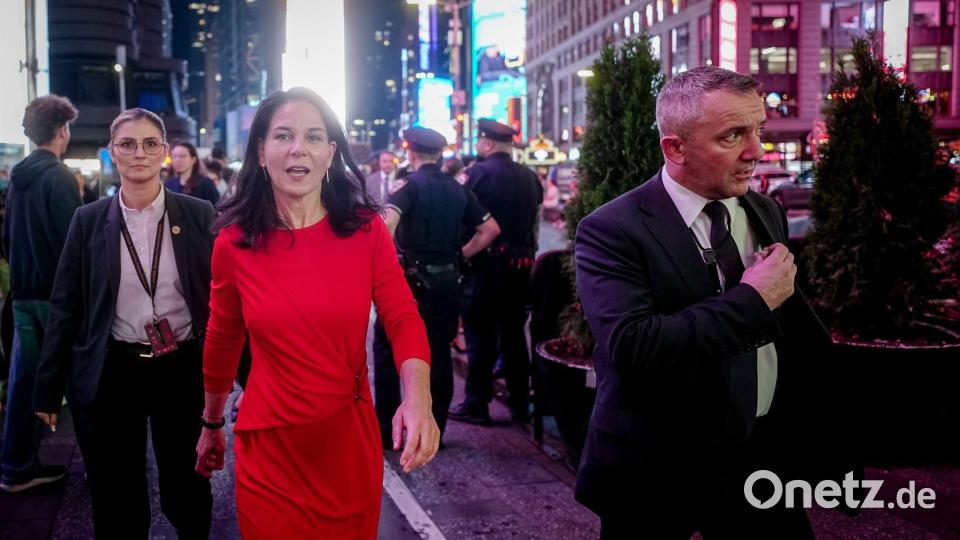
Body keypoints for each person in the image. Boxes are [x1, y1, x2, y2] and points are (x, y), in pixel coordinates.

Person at [572, 66, 855, 539]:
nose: (756, 151)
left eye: (758, 130)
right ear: (675, 148)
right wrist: (753, 299)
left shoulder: (765, 210)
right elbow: (633, 346)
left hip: (758, 453)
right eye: (733, 136)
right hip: (656, 463)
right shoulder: (612, 229)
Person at [194, 87, 439, 539]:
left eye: (312, 136)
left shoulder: (367, 232)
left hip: (346, 446)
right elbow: (222, 337)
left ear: (330, 153)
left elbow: (402, 315)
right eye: (282, 136)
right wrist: (211, 423)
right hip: (269, 448)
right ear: (262, 152)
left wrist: (417, 397)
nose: (297, 148)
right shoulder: (234, 242)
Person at [33, 108, 215, 538]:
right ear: (113, 152)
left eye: (151, 143)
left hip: (182, 367)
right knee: (116, 493)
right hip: (114, 368)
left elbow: (224, 298)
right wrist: (48, 386)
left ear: (165, 153)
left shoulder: (198, 214)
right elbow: (65, 305)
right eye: (128, 144)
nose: (140, 153)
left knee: (187, 486)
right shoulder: (89, 220)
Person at [376, 127, 500, 448]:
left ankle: (387, 429)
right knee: (439, 354)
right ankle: (435, 431)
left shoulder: (408, 187)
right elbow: (489, 229)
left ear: (412, 153)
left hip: (410, 284)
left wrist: (385, 266)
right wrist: (460, 255)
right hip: (448, 282)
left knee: (389, 350)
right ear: (439, 154)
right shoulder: (458, 190)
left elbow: (386, 225)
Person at [0, 94, 80, 493]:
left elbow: (7, 237)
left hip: (22, 293)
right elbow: (72, 243)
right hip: (54, 296)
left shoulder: (18, 178)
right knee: (80, 380)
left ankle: (16, 466)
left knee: (24, 382)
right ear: (61, 130)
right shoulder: (59, 177)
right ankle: (104, 465)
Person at [449, 118, 542, 425]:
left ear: (487, 144)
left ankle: (477, 403)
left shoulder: (475, 174)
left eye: (479, 142)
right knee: (515, 336)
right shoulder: (530, 177)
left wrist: (460, 253)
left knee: (480, 337)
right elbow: (535, 223)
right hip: (520, 268)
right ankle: (519, 405)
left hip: (484, 267)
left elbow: (461, 218)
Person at [165, 141, 220, 206]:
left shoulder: (205, 183)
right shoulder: (169, 184)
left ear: (193, 160)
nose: (177, 160)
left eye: (182, 156)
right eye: (174, 156)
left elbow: (216, 208)